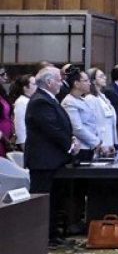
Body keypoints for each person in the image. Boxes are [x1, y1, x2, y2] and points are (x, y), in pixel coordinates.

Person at [24, 66, 79, 195]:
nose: (61, 83)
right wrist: (71, 145)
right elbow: (53, 129)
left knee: (56, 203)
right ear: (49, 82)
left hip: (53, 161)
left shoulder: (49, 99)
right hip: (44, 163)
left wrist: (72, 138)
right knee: (42, 203)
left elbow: (62, 125)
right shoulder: (40, 101)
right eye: (59, 80)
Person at [61, 67, 110, 159]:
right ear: (76, 84)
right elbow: (77, 128)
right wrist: (97, 142)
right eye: (86, 81)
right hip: (81, 148)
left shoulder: (82, 100)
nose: (89, 83)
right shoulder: (69, 102)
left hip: (90, 147)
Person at [88, 67, 118, 153]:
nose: (105, 78)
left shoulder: (103, 96)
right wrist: (100, 143)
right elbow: (93, 122)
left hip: (109, 139)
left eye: (104, 75)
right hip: (100, 141)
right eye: (101, 76)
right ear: (93, 81)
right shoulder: (90, 98)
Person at [12, 74, 34, 150]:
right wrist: (24, 147)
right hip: (27, 144)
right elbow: (20, 127)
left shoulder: (31, 100)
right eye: (34, 84)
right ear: (25, 88)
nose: (37, 86)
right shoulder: (21, 102)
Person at [0, 69, 15, 157]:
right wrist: (5, 139)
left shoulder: (2, 91)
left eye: (5, 73)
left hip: (8, 137)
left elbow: (9, 115)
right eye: (2, 74)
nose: (6, 76)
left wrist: (13, 134)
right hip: (2, 139)